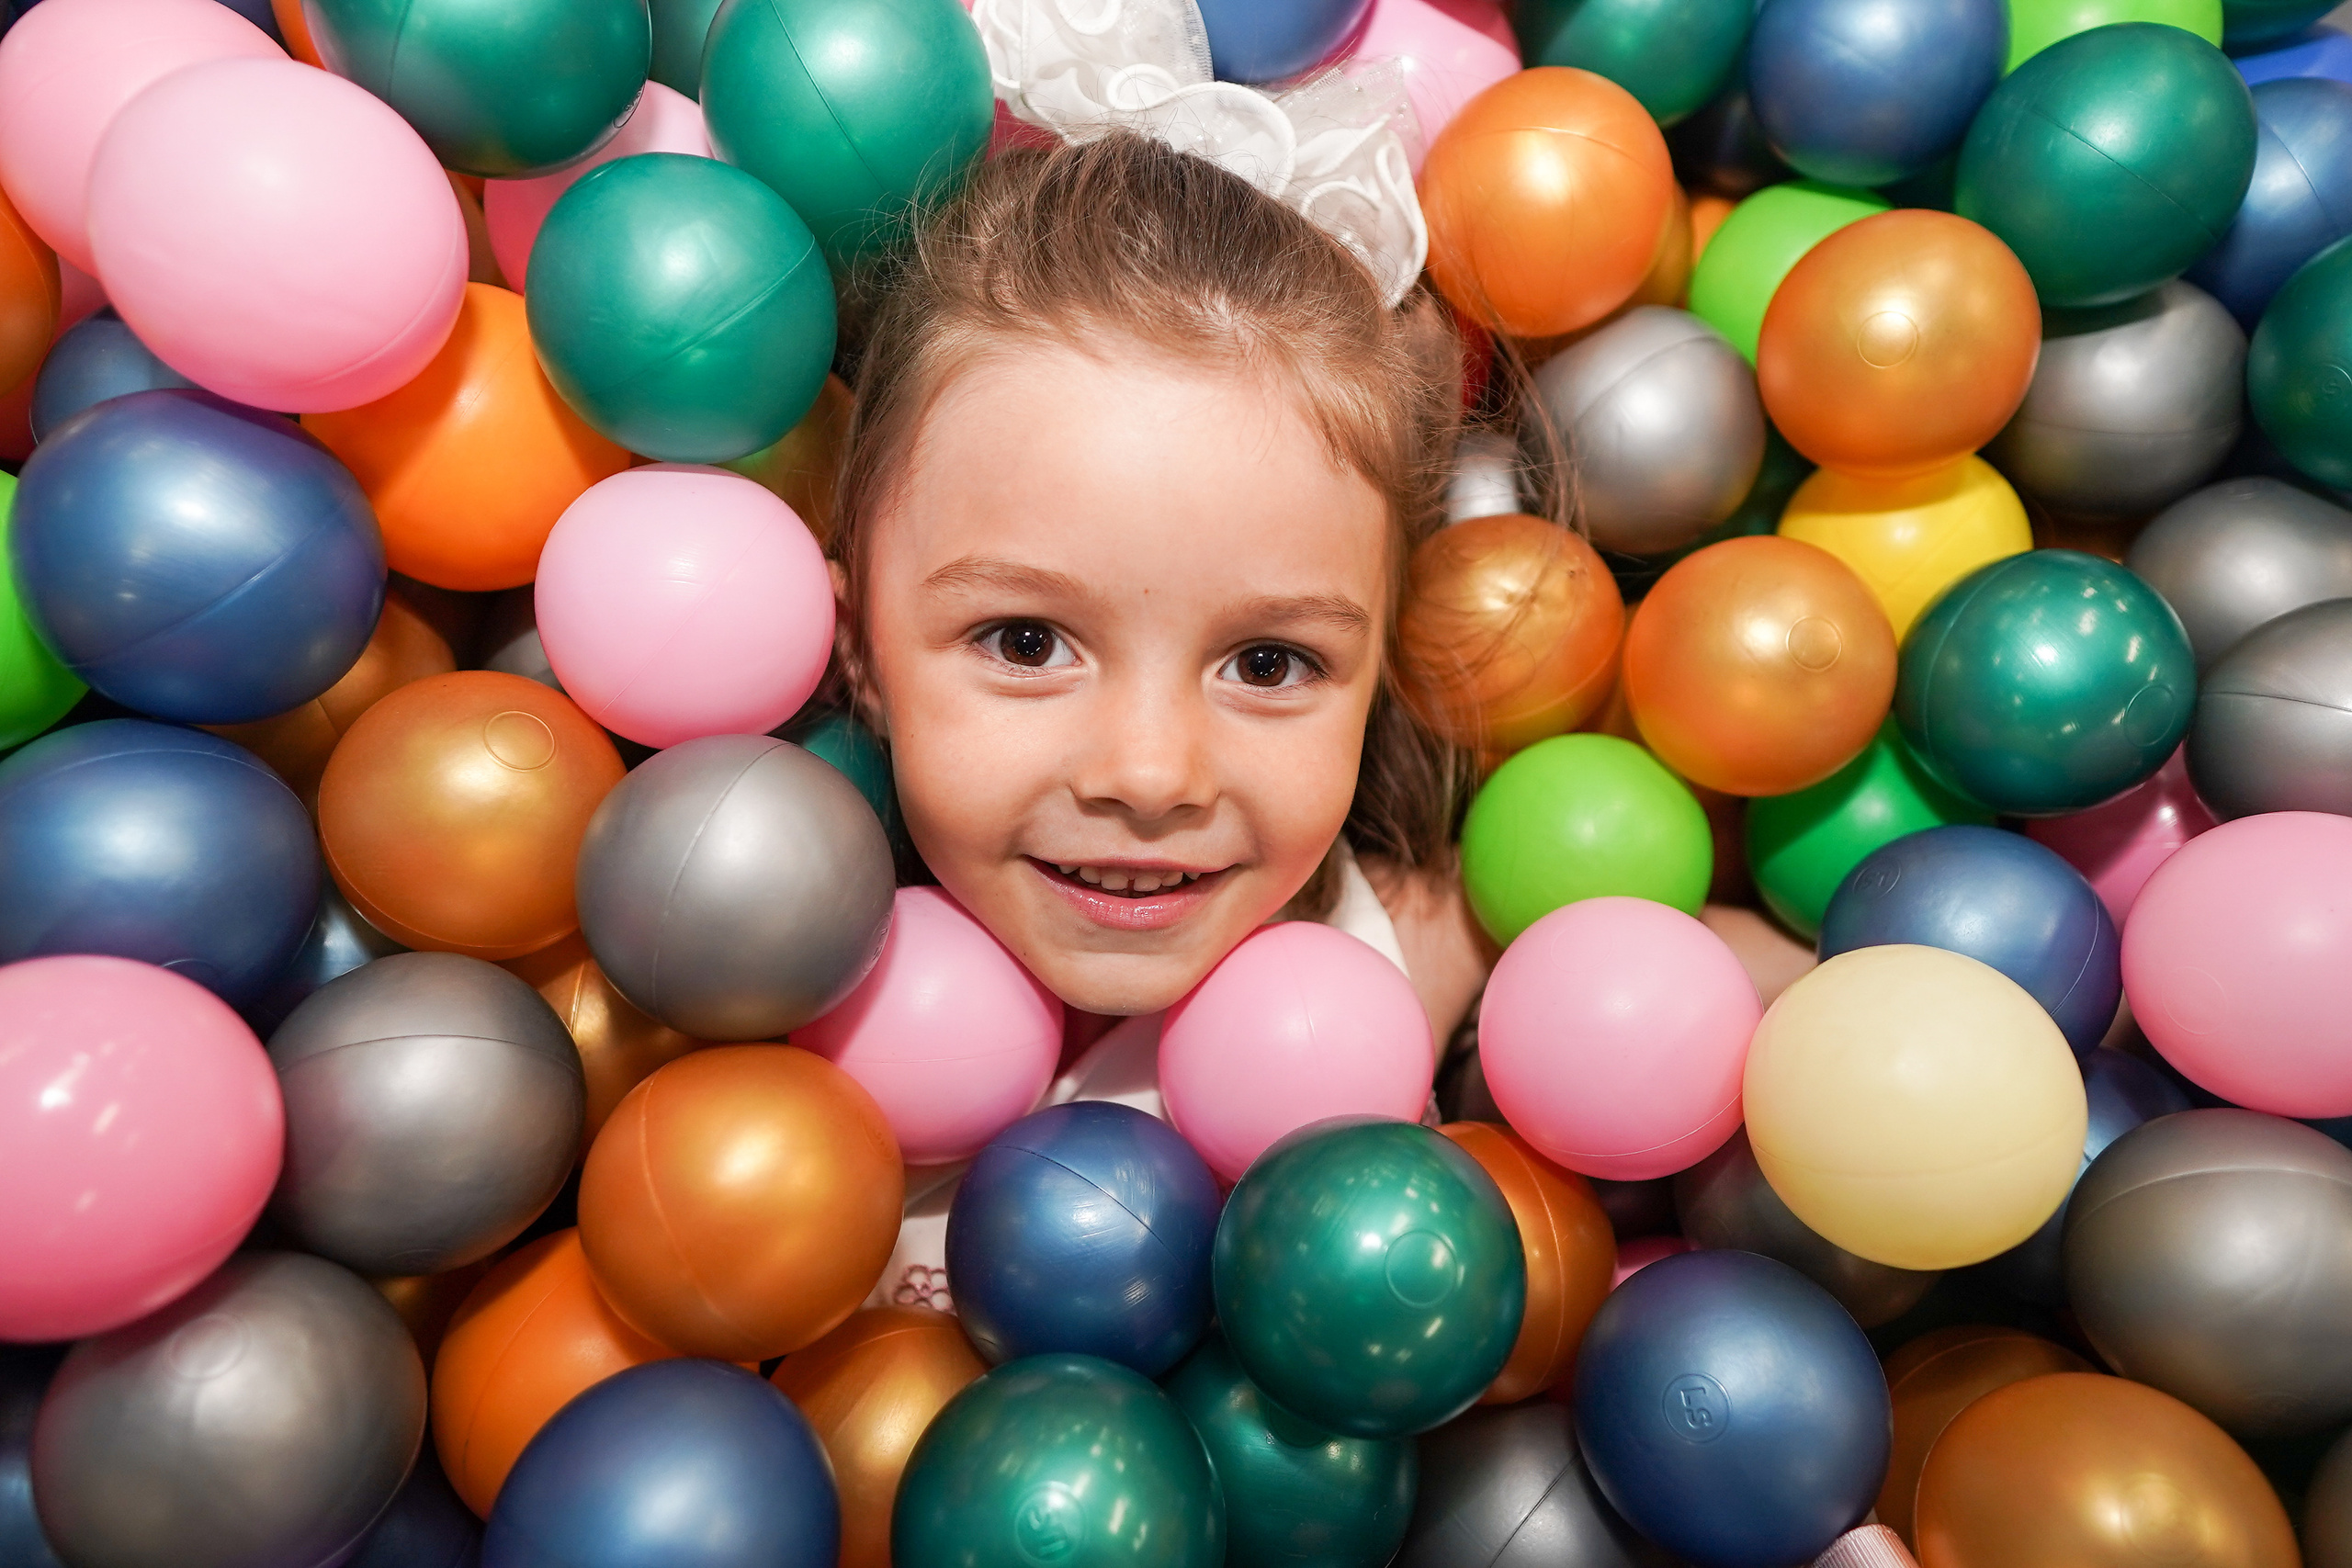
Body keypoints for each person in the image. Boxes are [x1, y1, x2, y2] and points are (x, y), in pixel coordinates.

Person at [831, 130, 1495, 1054]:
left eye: (1268, 664)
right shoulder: (739, 1012)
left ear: (1384, 654)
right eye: (1026, 642)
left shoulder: (1434, 952)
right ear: (856, 640)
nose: (1149, 777)